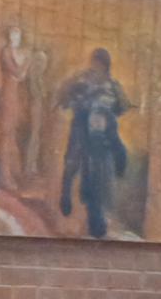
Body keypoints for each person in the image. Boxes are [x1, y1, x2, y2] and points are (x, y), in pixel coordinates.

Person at [57, 47, 134, 240]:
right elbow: (64, 98)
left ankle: (96, 219)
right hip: (81, 127)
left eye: (100, 63)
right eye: (94, 62)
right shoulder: (82, 79)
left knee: (96, 174)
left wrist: (109, 113)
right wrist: (73, 96)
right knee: (72, 163)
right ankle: (66, 192)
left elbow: (123, 106)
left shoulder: (112, 85)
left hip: (101, 135)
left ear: (106, 66)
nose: (96, 66)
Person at [0, 24, 32, 190]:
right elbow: (18, 73)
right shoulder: (6, 52)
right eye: (12, 34)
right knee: (6, 134)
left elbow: (21, 76)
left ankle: (10, 172)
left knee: (11, 134)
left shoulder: (18, 52)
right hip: (8, 95)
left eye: (17, 35)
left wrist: (24, 65)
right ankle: (4, 176)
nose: (15, 38)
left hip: (15, 95)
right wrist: (27, 62)